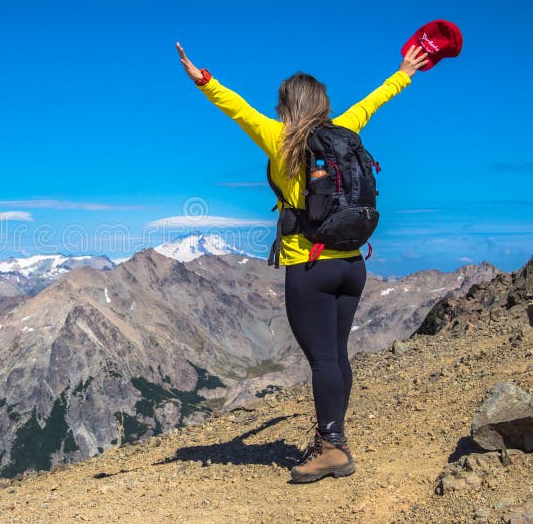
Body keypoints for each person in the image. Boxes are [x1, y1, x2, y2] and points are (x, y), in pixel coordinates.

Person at [177, 41, 429, 483]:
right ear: (323, 105)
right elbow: (372, 103)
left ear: (285, 106)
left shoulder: (280, 139)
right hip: (352, 265)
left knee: (323, 362)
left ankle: (332, 448)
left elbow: (236, 109)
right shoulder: (343, 131)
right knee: (337, 356)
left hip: (310, 268)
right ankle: (333, 439)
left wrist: (204, 80)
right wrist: (404, 72)